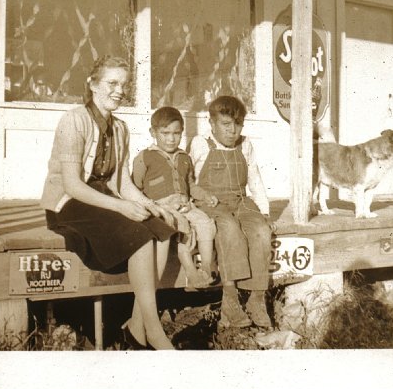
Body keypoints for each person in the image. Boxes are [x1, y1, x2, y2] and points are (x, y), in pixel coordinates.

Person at [41, 55, 177, 350]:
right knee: (140, 237)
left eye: (123, 84)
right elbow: (72, 185)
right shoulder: (73, 121)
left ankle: (137, 327)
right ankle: (155, 333)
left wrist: (148, 204)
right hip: (69, 203)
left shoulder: (120, 129)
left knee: (163, 228)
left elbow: (121, 183)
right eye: (111, 83)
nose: (119, 90)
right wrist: (122, 207)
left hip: (103, 199)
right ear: (92, 85)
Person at [189, 95, 274, 329]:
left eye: (238, 125)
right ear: (212, 123)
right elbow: (189, 180)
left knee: (260, 230)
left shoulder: (245, 145)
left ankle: (257, 299)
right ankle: (230, 298)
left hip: (240, 200)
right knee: (228, 229)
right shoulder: (200, 144)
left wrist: (265, 211)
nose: (233, 131)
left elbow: (255, 179)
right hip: (212, 202)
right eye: (226, 125)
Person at [132, 106, 219, 290]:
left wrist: (205, 195)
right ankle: (191, 272)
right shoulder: (145, 157)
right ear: (153, 132)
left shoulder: (184, 157)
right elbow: (135, 188)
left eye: (176, 133)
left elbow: (191, 185)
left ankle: (205, 269)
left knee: (204, 222)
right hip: (162, 209)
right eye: (165, 133)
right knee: (182, 226)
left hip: (186, 206)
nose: (171, 139)